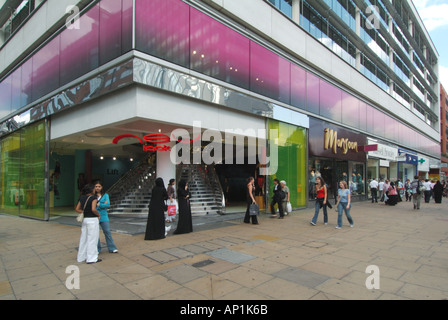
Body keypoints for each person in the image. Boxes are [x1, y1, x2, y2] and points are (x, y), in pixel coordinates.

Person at [76, 184, 101, 264]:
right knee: (92, 239)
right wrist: (98, 214)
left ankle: (81, 257)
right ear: (91, 190)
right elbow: (93, 209)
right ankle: (91, 258)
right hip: (92, 220)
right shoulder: (93, 198)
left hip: (85, 220)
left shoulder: (82, 198)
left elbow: (77, 209)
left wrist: (84, 212)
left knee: (84, 238)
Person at [94, 181, 118, 254]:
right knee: (95, 233)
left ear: (102, 187)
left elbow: (107, 205)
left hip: (104, 216)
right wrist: (102, 204)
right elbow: (92, 205)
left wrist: (99, 204)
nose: (97, 188)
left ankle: (112, 248)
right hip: (94, 216)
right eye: (96, 186)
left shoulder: (105, 195)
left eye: (99, 186)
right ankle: (97, 249)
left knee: (107, 232)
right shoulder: (92, 195)